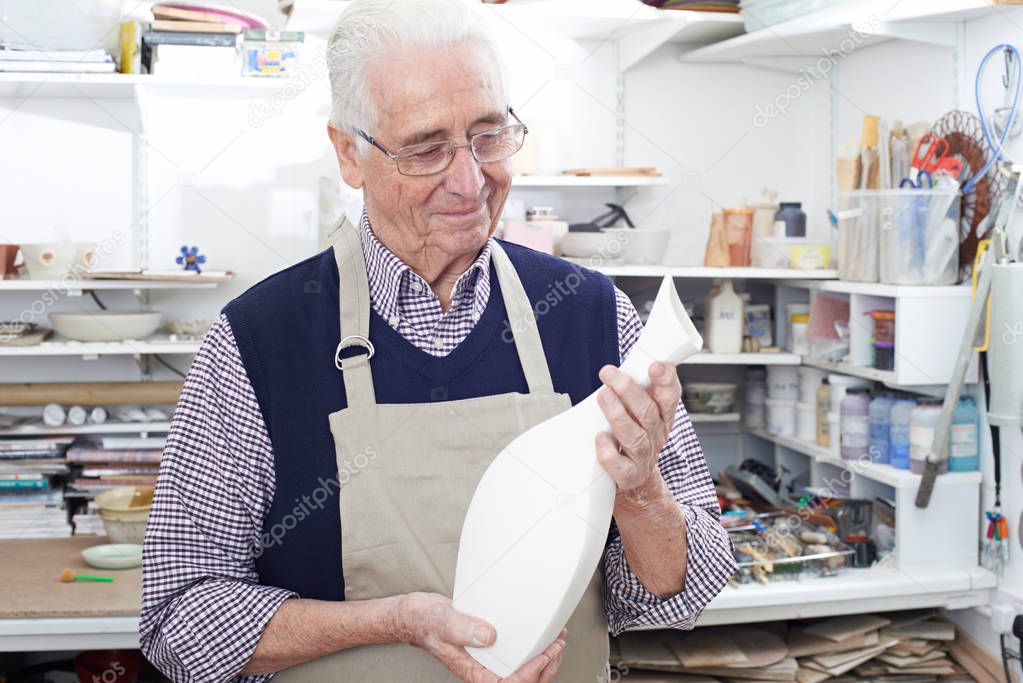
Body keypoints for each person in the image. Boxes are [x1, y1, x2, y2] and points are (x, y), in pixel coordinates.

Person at [139, 1, 735, 681]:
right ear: (349, 153)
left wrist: (641, 494)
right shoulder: (256, 343)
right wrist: (392, 622)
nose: (469, 179)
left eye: (487, 136)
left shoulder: (594, 316)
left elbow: (680, 591)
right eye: (426, 148)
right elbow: (178, 619)